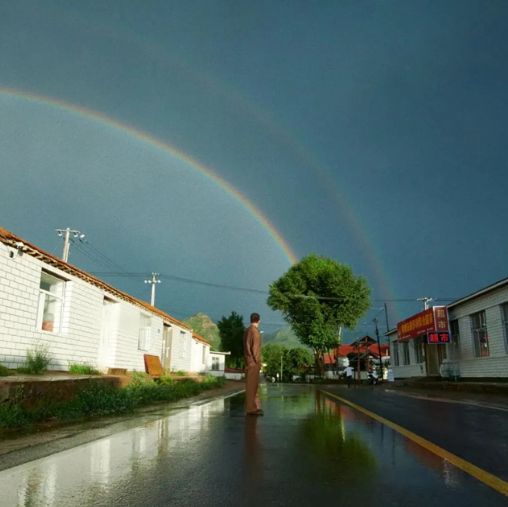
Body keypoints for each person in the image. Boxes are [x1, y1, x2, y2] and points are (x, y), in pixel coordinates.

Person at [243, 312, 263, 416]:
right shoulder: (255, 332)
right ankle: (251, 409)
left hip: (247, 360)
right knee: (252, 386)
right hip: (253, 362)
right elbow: (255, 348)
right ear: (258, 320)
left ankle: (252, 407)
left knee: (251, 385)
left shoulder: (247, 331)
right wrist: (258, 361)